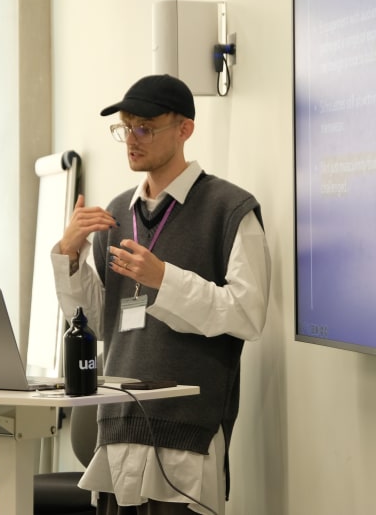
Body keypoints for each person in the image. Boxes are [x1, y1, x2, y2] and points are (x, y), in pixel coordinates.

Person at [51, 74, 271, 515]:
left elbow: (247, 314)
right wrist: (69, 255)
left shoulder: (230, 209)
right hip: (116, 430)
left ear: (184, 129)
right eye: (125, 128)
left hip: (186, 436)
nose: (131, 139)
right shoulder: (114, 215)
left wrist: (164, 279)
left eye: (144, 128)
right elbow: (98, 319)